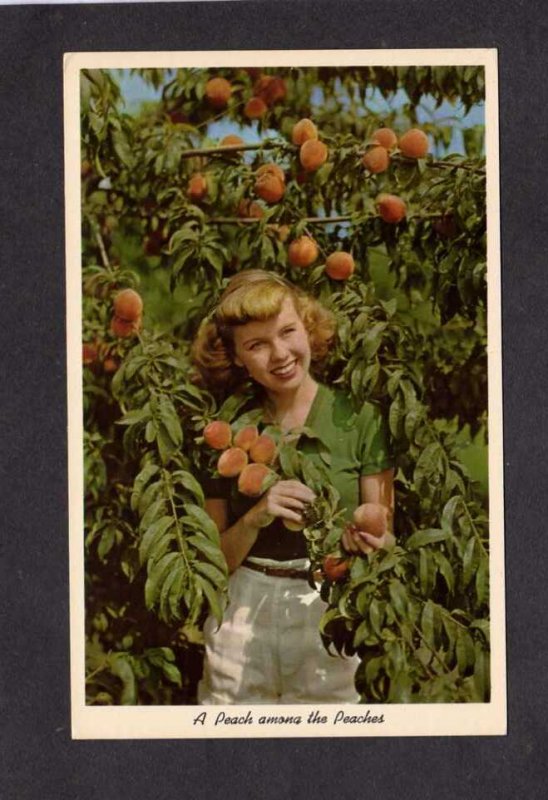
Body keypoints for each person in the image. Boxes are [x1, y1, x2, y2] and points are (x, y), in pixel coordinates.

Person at [191, 269, 394, 704]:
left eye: (287, 332)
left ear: (308, 327)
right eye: (256, 345)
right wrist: (256, 516)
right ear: (236, 357)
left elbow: (385, 531)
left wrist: (364, 540)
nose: (279, 354)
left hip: (326, 604)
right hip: (241, 608)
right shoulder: (226, 432)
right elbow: (213, 563)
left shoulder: (360, 419)